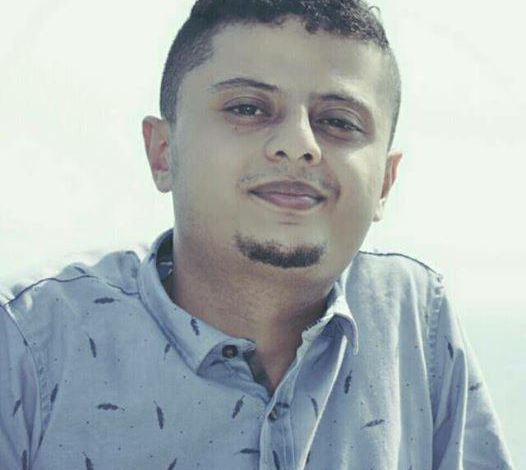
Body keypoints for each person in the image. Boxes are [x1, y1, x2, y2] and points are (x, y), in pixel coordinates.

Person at [0, 0, 515, 468]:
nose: (299, 143)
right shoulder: (28, 345)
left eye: (339, 121)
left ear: (385, 181)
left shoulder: (417, 321)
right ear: (162, 152)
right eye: (247, 108)